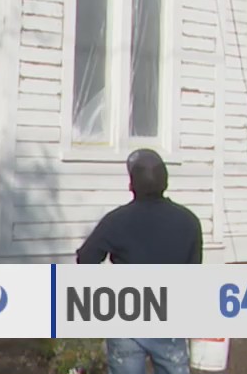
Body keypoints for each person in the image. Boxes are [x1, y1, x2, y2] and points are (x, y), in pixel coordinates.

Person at [77, 149, 203, 374]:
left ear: (132, 185)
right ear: (165, 182)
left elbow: (85, 259)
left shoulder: (116, 221)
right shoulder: (189, 221)